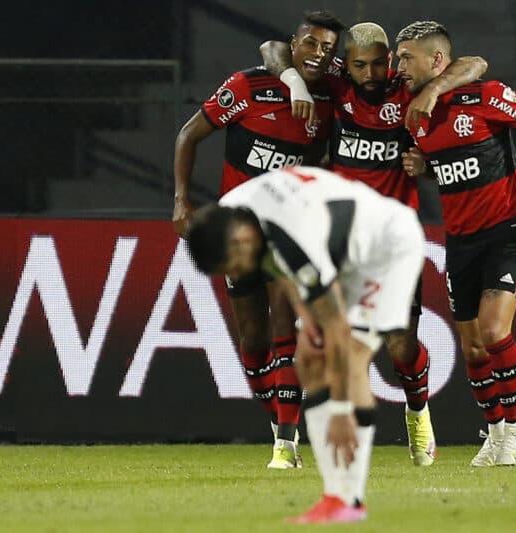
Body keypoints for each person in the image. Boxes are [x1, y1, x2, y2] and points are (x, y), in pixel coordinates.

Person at [260, 22, 487, 466]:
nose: (369, 73)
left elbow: (476, 64)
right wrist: (295, 86)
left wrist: (433, 92)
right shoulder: (336, 82)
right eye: (359, 64)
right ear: (349, 62)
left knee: (401, 346)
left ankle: (418, 410)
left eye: (379, 63)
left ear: (390, 60)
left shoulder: (406, 90)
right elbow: (272, 48)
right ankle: (305, 440)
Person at [186, 165, 425, 523]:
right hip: (340, 251)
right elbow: (284, 271)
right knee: (308, 358)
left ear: (239, 241)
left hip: (386, 249)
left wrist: (341, 409)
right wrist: (305, 314)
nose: (235, 275)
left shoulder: (290, 235)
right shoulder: (235, 211)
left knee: (350, 358)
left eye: (231, 266)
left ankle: (349, 501)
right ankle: (333, 497)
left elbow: (336, 325)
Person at [172, 10, 345, 469]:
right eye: (311, 43)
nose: (319, 54)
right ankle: (277, 423)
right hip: (238, 234)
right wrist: (181, 200)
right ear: (296, 42)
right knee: (252, 339)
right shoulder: (248, 87)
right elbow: (189, 134)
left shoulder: (334, 93)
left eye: (329, 49)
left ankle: (285, 445)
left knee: (284, 327)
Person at [397, 21, 516, 466]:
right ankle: (494, 432)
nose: (399, 67)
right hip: (460, 239)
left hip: (507, 229)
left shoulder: (485, 96)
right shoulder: (415, 111)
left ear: (435, 60)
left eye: (406, 57)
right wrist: (424, 168)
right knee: (471, 346)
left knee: (493, 331)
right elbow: (457, 166)